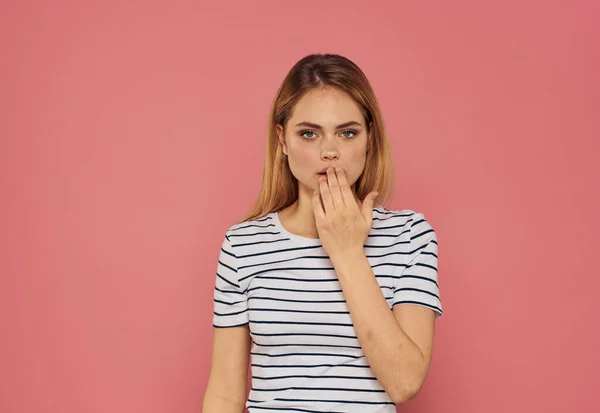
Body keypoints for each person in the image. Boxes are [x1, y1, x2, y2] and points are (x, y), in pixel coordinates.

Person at [202, 53, 443, 413]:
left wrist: (346, 250)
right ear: (283, 140)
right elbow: (224, 393)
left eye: (347, 133)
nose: (329, 151)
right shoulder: (243, 245)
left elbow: (404, 381)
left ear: (369, 138)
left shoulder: (409, 236)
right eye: (309, 133)